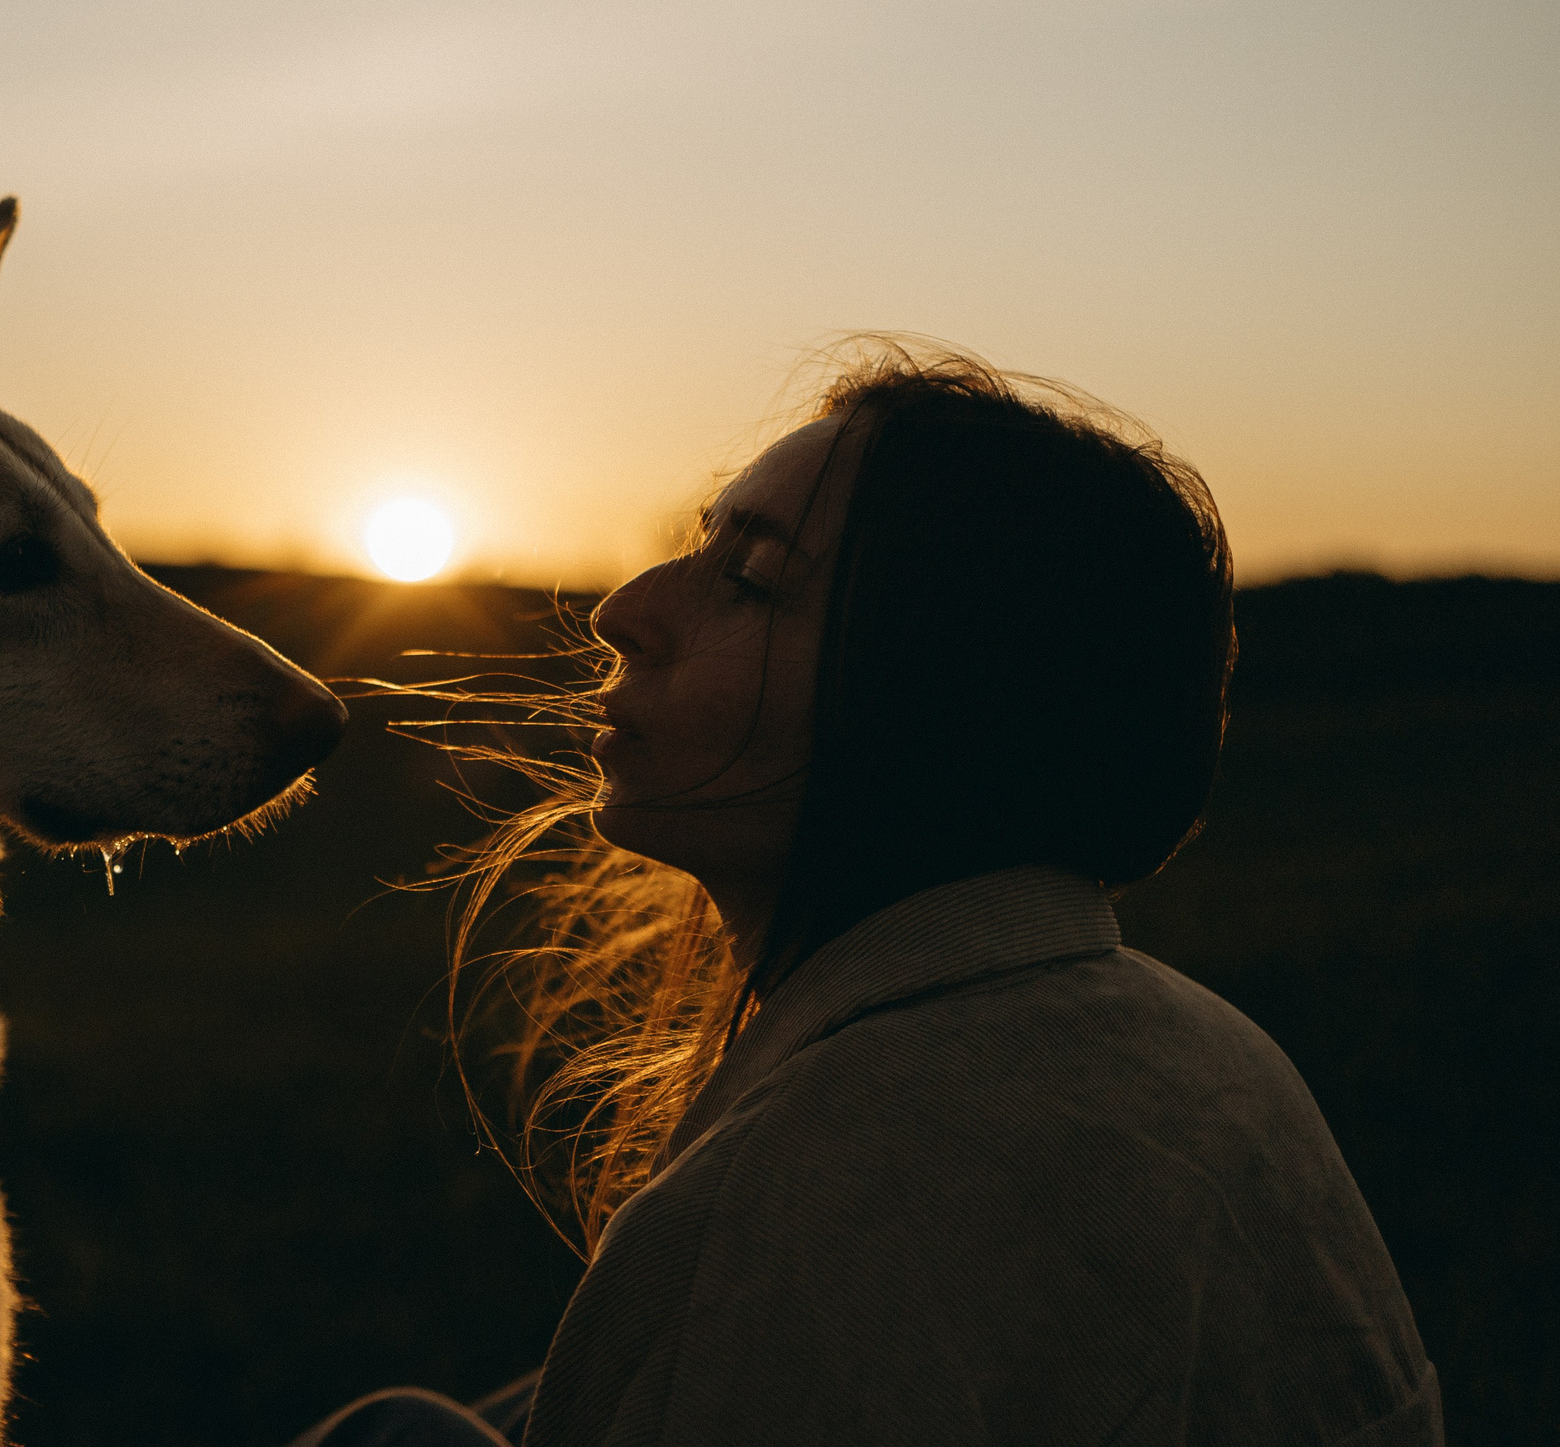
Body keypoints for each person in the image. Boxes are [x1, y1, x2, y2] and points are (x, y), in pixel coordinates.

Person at [291, 346, 1439, 1447]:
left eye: (747, 578)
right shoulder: (1215, 1050)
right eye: (700, 546)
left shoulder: (799, 1207)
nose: (623, 607)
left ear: (935, 697)